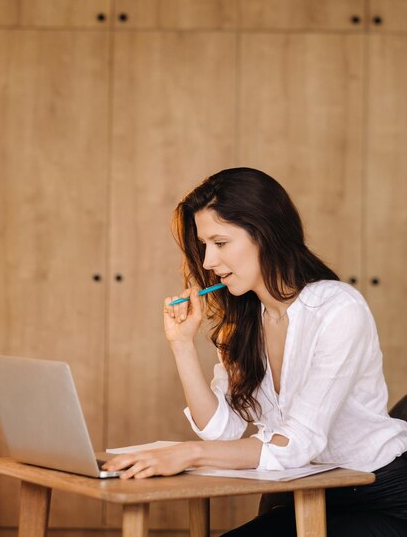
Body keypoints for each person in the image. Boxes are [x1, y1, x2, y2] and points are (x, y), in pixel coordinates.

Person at [103, 167, 407, 536]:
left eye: (220, 243)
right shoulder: (244, 322)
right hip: (307, 495)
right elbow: (222, 429)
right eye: (204, 247)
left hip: (382, 498)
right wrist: (181, 345)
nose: (210, 262)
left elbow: (297, 443)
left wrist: (188, 454)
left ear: (264, 234)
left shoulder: (339, 310)